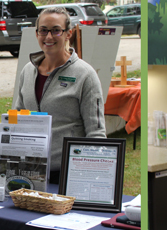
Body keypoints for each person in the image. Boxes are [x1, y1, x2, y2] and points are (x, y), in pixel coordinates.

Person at [11, 7, 106, 183]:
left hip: (68, 174)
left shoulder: (85, 75)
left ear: (68, 34)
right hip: (29, 171)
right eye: (43, 30)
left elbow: (96, 132)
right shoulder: (28, 71)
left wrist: (91, 177)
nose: (48, 37)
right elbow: (16, 120)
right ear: (36, 33)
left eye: (56, 30)